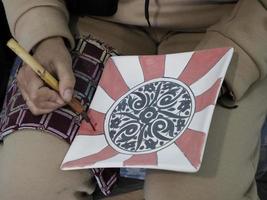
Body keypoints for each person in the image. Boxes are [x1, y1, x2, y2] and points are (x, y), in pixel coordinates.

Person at [1, 0, 267, 199]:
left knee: (191, 192)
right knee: (27, 184)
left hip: (232, 27)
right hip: (89, 20)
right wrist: (43, 33)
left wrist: (241, 48)